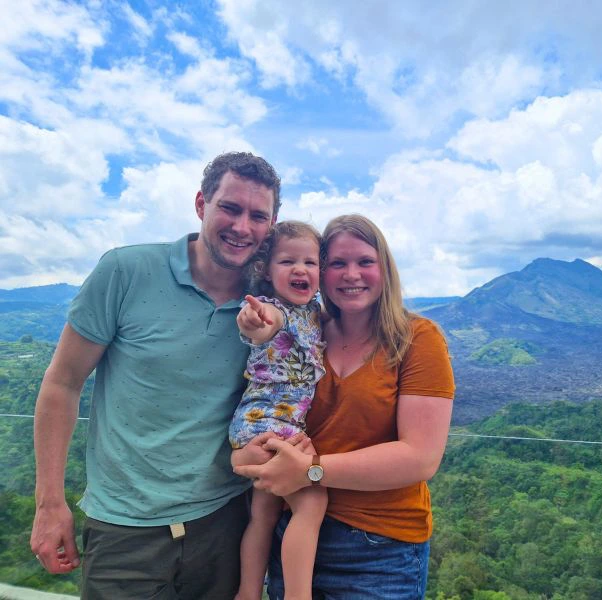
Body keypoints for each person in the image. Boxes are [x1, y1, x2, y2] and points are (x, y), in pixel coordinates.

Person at [30, 151, 281, 600]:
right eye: (230, 207)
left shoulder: (270, 300)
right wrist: (50, 504)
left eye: (258, 215)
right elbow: (62, 383)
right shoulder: (125, 271)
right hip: (124, 530)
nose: (243, 226)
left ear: (270, 224)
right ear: (202, 204)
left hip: (224, 523)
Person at [235, 214, 456, 599]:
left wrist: (311, 472)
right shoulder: (306, 330)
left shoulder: (418, 340)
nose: (351, 274)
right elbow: (266, 345)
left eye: (365, 262)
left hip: (381, 550)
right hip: (295, 542)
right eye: (337, 263)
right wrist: (247, 456)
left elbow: (420, 458)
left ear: (384, 269)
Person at [229, 221, 327, 600]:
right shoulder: (273, 309)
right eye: (287, 261)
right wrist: (257, 323)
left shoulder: (314, 311)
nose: (300, 269)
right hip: (269, 424)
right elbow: (262, 325)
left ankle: (248, 592)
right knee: (313, 499)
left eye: (310, 262)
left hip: (260, 424)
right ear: (266, 271)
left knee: (264, 513)